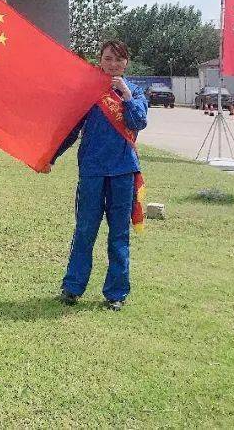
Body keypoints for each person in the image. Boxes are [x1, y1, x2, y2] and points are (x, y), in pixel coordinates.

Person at [48, 39, 148, 311]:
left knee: (118, 235)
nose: (112, 64)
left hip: (122, 173)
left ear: (126, 62)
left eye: (118, 59)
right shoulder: (89, 93)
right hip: (92, 171)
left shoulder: (136, 93)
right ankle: (72, 288)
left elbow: (138, 122)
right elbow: (70, 130)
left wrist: (126, 95)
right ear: (99, 61)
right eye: (107, 59)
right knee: (84, 231)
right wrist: (51, 156)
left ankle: (116, 293)